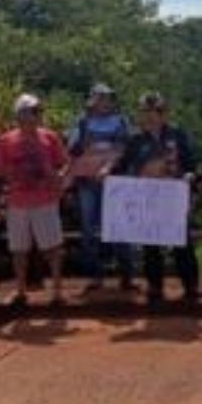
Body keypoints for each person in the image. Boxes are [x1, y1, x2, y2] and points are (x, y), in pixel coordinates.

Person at [109, 92, 200, 306]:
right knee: (151, 245)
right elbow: (121, 163)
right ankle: (155, 287)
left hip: (174, 197)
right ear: (140, 115)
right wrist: (107, 172)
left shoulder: (177, 135)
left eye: (156, 111)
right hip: (148, 199)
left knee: (183, 242)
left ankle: (191, 286)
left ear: (164, 113)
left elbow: (191, 162)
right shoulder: (135, 140)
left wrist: (190, 174)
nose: (151, 116)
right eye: (146, 112)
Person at [0, 94, 70, 308]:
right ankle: (20, 291)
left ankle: (57, 292)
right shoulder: (6, 140)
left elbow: (64, 163)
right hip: (17, 202)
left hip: (45, 201)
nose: (37, 116)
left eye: (38, 111)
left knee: (53, 248)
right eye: (32, 111)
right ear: (20, 115)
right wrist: (0, 197)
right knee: (18, 250)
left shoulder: (50, 137)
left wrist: (60, 177)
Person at [66, 83, 135, 291]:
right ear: (92, 99)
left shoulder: (121, 121)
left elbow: (125, 148)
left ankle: (126, 275)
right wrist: (82, 133)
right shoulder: (81, 121)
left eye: (108, 97)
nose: (104, 101)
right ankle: (94, 275)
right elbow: (72, 148)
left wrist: (108, 167)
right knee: (88, 229)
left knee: (120, 226)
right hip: (87, 182)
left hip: (114, 182)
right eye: (100, 97)